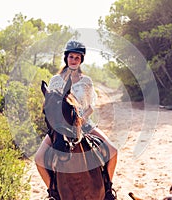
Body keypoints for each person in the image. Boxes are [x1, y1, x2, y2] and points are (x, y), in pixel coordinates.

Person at [35, 40, 118, 199]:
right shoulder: (55, 80)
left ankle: (108, 187)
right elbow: (52, 105)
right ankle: (53, 192)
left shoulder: (86, 81)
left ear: (81, 60)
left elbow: (91, 105)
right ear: (66, 58)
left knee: (113, 151)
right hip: (61, 127)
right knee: (39, 159)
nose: (73, 60)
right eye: (71, 57)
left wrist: (82, 119)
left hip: (84, 124)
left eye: (77, 58)